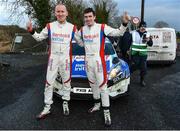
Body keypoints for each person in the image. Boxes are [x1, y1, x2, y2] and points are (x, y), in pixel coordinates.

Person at [27, 4, 83, 119]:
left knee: (66, 82)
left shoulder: (72, 27)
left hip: (66, 59)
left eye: (62, 11)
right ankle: (47, 107)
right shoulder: (50, 26)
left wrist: (93, 40)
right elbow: (38, 37)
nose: (60, 13)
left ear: (67, 13)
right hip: (53, 59)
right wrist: (31, 30)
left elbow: (81, 43)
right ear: (55, 13)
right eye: (58, 11)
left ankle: (65, 102)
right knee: (49, 84)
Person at [79, 8, 130, 126]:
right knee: (93, 85)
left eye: (90, 16)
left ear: (94, 17)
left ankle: (107, 112)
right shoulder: (82, 30)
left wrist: (124, 23)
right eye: (86, 17)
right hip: (87, 62)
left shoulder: (102, 27)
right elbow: (77, 38)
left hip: (98, 61)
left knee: (103, 87)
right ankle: (97, 105)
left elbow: (118, 33)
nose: (88, 19)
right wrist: (83, 44)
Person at [130, 21, 153, 87]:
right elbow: (129, 41)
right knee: (134, 66)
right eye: (142, 26)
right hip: (135, 54)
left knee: (144, 68)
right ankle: (127, 77)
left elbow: (151, 44)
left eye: (144, 26)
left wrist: (148, 40)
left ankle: (142, 80)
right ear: (139, 27)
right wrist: (127, 50)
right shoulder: (134, 33)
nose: (143, 28)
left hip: (143, 55)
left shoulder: (148, 34)